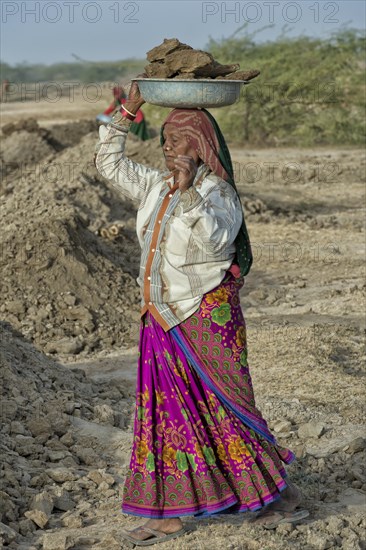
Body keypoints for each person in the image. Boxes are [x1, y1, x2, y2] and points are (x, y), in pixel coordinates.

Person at [94, 81, 309, 546]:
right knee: (165, 415)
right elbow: (107, 162)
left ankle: (276, 496)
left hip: (204, 316)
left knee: (226, 408)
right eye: (165, 139)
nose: (166, 147)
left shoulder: (218, 193)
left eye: (175, 140)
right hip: (161, 315)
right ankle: (165, 512)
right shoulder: (156, 186)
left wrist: (190, 190)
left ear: (198, 146)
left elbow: (215, 240)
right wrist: (127, 112)